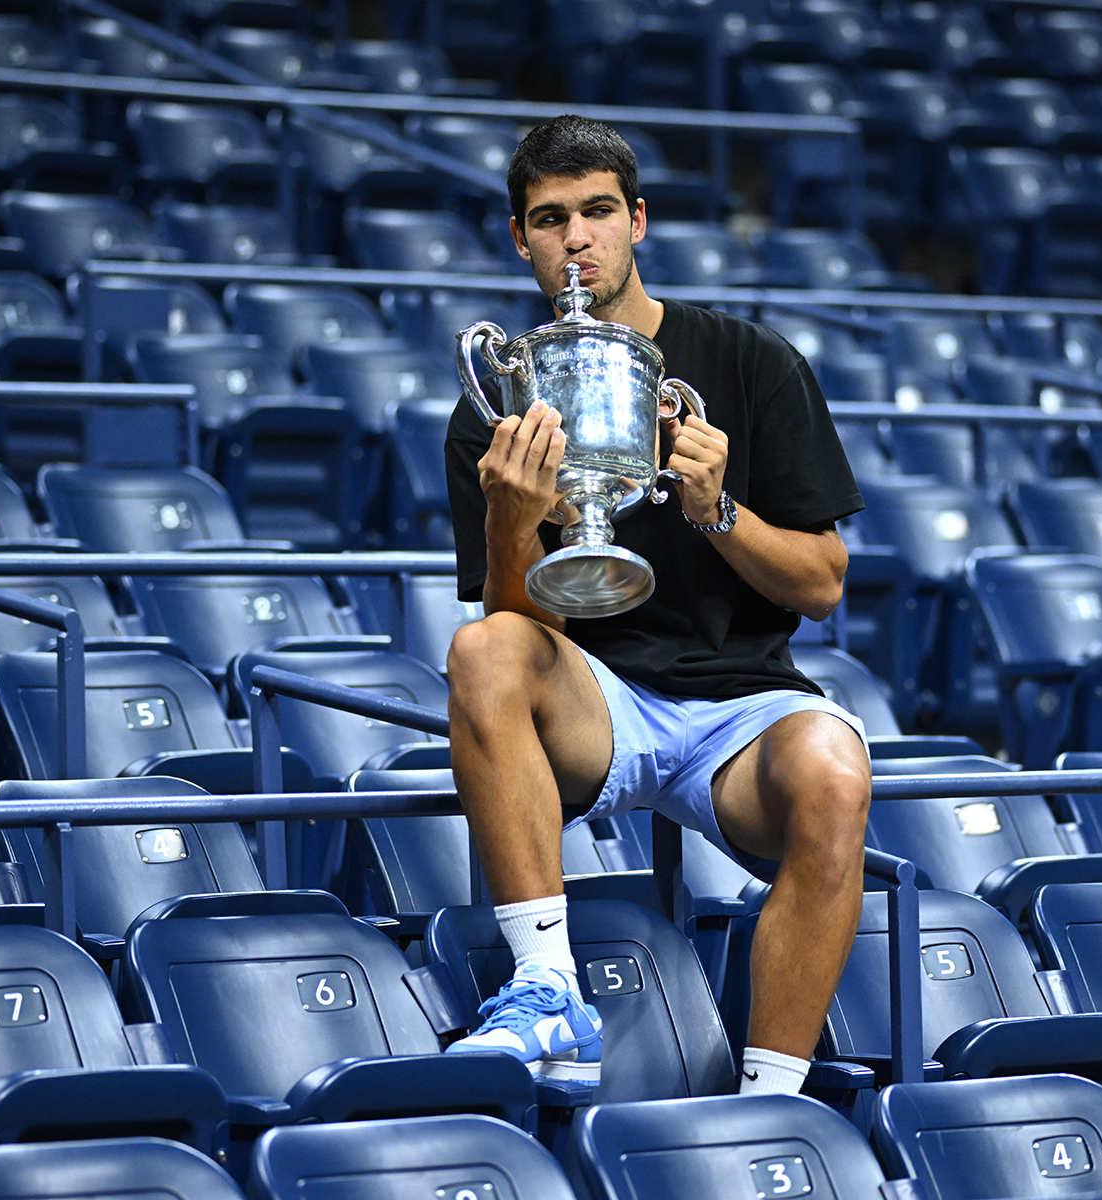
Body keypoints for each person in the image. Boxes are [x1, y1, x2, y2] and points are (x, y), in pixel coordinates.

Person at [441, 114, 870, 1097]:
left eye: (597, 211)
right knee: (483, 653)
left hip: (741, 708)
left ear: (638, 221)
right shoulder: (494, 406)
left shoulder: (752, 361)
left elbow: (822, 582)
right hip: (594, 698)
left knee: (837, 768)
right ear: (521, 239)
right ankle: (549, 993)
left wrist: (720, 512)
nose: (576, 239)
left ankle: (772, 1103)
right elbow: (517, 622)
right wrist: (518, 523)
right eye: (549, 221)